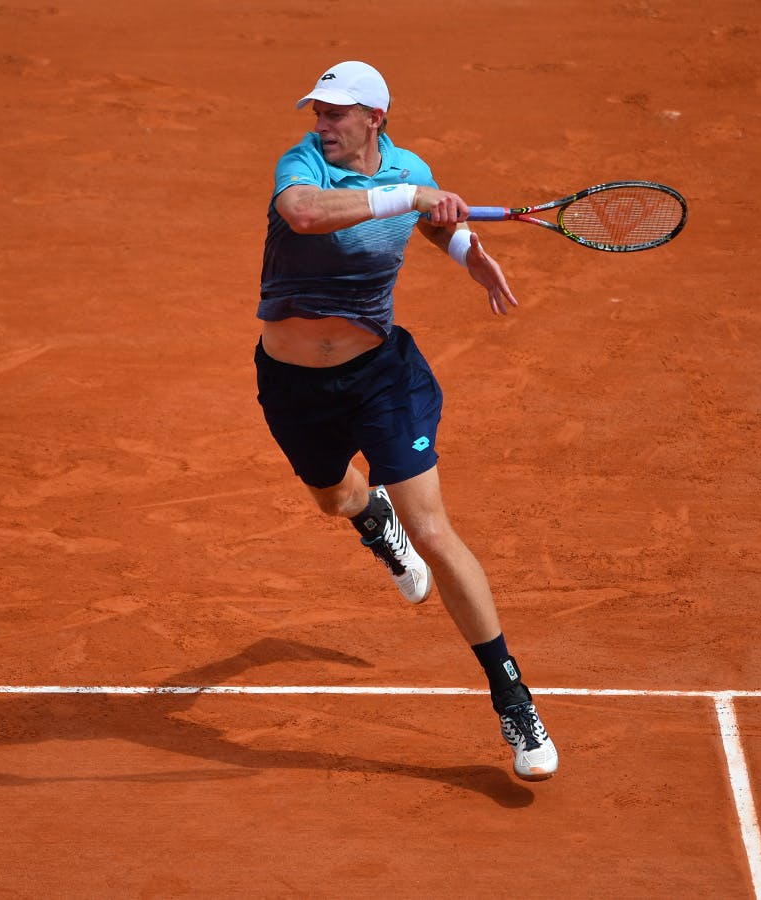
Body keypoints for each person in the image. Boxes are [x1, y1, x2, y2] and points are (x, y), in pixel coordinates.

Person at [255, 60, 558, 781]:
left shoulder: (408, 169)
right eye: (317, 112)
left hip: (381, 378)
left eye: (335, 114)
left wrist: (465, 250)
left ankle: (512, 696)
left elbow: (426, 220)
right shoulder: (303, 166)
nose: (320, 125)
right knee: (334, 497)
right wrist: (410, 195)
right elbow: (304, 214)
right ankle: (370, 521)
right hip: (294, 383)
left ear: (374, 120)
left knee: (435, 531)